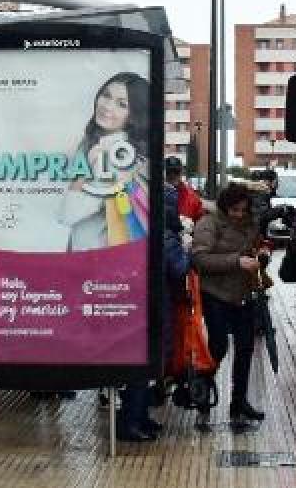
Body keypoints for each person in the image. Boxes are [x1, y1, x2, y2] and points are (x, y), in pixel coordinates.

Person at [115, 166, 192, 442]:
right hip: (155, 308)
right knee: (146, 366)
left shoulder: (137, 229)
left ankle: (138, 417)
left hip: (132, 304)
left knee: (139, 367)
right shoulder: (166, 237)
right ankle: (131, 423)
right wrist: (188, 250)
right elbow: (179, 268)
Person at [191, 182, 267, 427]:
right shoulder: (209, 223)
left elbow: (256, 246)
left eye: (243, 210)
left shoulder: (250, 224)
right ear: (225, 207)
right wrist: (237, 262)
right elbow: (200, 259)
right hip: (216, 294)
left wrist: (261, 255)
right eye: (234, 210)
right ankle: (202, 393)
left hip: (243, 294)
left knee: (246, 348)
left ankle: (239, 402)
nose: (239, 214)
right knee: (218, 345)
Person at [59, 72, 150, 251]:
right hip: (101, 257)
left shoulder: (111, 157)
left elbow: (67, 214)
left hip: (98, 261)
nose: (107, 106)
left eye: (121, 104)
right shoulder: (120, 150)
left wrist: (82, 174)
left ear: (134, 114)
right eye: (106, 95)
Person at [165, 155, 205, 226]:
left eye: (176, 172)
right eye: (168, 172)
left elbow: (201, 222)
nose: (172, 175)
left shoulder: (193, 196)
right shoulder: (153, 194)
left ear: (181, 172)